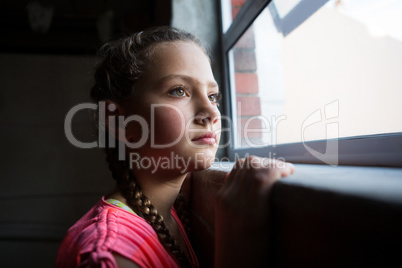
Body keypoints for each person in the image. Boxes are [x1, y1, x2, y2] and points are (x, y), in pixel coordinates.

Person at [55, 26, 294, 268]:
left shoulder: (168, 211)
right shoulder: (111, 257)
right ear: (119, 121)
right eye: (179, 91)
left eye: (213, 96)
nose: (211, 112)